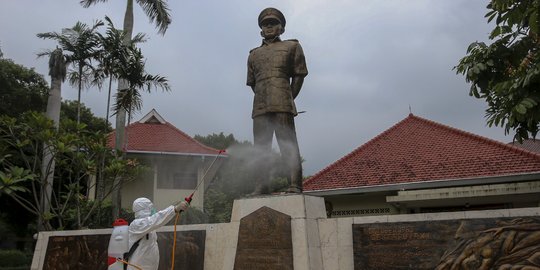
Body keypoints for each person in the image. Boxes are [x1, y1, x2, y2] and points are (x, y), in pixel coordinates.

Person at [246, 7, 308, 194]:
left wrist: (288, 96)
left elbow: (299, 75)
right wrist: (264, 97)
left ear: (281, 28)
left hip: (283, 101)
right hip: (260, 106)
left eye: (274, 23)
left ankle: (295, 184)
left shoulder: (292, 47)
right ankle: (262, 185)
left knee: (287, 143)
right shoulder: (253, 54)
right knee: (261, 148)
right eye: (266, 24)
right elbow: (253, 83)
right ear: (261, 30)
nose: (270, 26)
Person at [126, 197, 188, 270]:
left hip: (148, 266)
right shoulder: (137, 225)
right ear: (145, 209)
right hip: (137, 267)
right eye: (151, 207)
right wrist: (174, 209)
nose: (153, 210)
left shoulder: (149, 226)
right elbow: (157, 218)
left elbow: (158, 221)